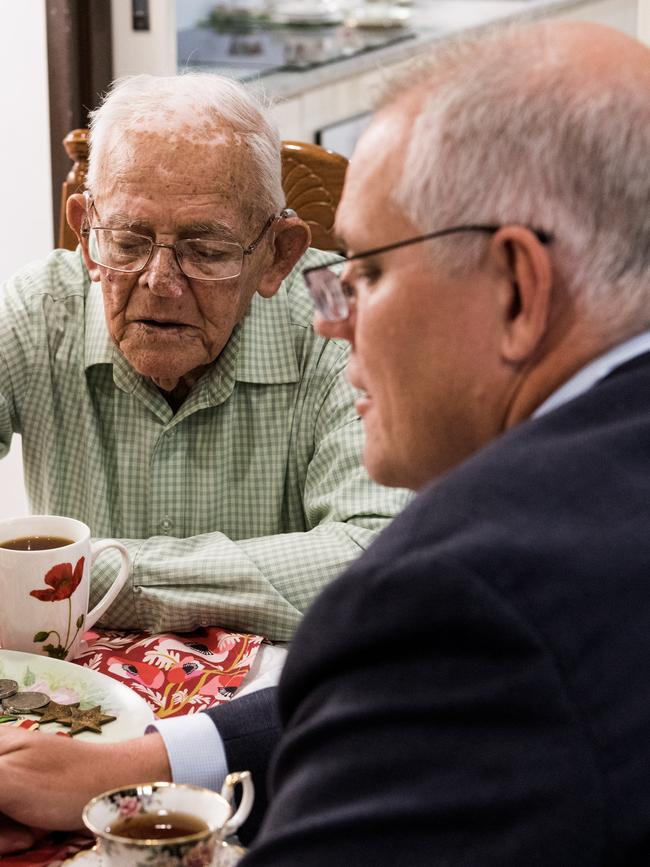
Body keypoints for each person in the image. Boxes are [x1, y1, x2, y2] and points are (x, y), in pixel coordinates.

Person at [2, 17, 650, 864]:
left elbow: (404, 648)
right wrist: (139, 760)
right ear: (87, 227)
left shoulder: (472, 582)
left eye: (369, 273)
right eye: (126, 240)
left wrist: (107, 574)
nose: (336, 318)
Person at [0, 72, 407, 645]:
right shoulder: (39, 307)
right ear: (86, 231)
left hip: (275, 712)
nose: (160, 282)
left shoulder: (340, 310)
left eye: (206, 251)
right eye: (127, 241)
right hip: (73, 708)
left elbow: (378, 558)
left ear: (277, 255)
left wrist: (92, 573)